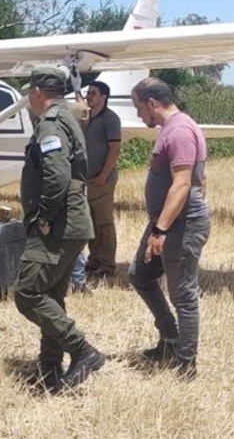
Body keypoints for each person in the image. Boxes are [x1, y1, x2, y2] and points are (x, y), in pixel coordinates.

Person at [14, 66, 104, 392]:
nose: (28, 98)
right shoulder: (66, 116)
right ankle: (50, 371)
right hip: (73, 222)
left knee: (26, 293)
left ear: (37, 91)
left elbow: (56, 175)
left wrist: (45, 215)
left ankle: (82, 351)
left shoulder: (51, 122)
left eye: (29, 92)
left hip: (59, 224)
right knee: (51, 294)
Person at [129, 77, 210, 380]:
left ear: (153, 103)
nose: (139, 115)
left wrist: (160, 231)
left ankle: (186, 364)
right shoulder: (174, 129)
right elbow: (201, 180)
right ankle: (170, 339)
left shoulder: (179, 131)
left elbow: (183, 183)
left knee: (183, 296)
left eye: (139, 107)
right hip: (166, 222)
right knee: (140, 275)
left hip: (179, 226)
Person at [83, 81, 121, 280]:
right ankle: (94, 260)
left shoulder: (110, 119)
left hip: (102, 180)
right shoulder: (87, 118)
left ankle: (107, 265)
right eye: (88, 93)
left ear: (103, 97)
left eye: (93, 93)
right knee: (90, 223)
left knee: (104, 223)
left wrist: (103, 177)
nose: (89, 96)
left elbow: (115, 149)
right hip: (88, 180)